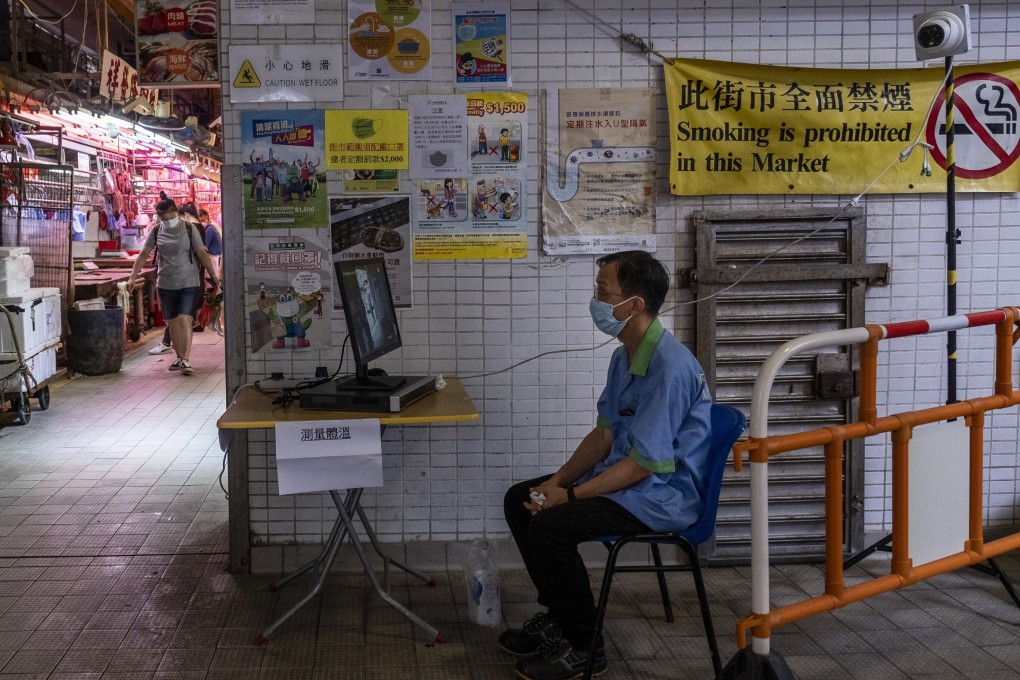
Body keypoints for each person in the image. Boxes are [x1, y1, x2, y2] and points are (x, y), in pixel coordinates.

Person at [501, 251, 712, 680]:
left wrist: (570, 496)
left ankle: (585, 646)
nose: (595, 300)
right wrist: (555, 483)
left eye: (602, 292)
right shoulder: (625, 356)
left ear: (634, 304)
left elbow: (644, 466)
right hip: (627, 481)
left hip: (660, 496)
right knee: (521, 499)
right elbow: (603, 436)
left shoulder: (669, 368)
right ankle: (560, 617)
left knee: (550, 527)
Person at [130, 195, 219, 376]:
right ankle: (180, 358)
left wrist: (213, 275)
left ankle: (186, 358)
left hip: (189, 281)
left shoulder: (189, 228)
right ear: (159, 218)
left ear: (177, 214)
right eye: (164, 219)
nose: (168, 222)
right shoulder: (156, 231)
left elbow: (201, 253)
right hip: (166, 283)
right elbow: (143, 254)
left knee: (185, 318)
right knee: (172, 322)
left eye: (171, 218)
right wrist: (133, 276)